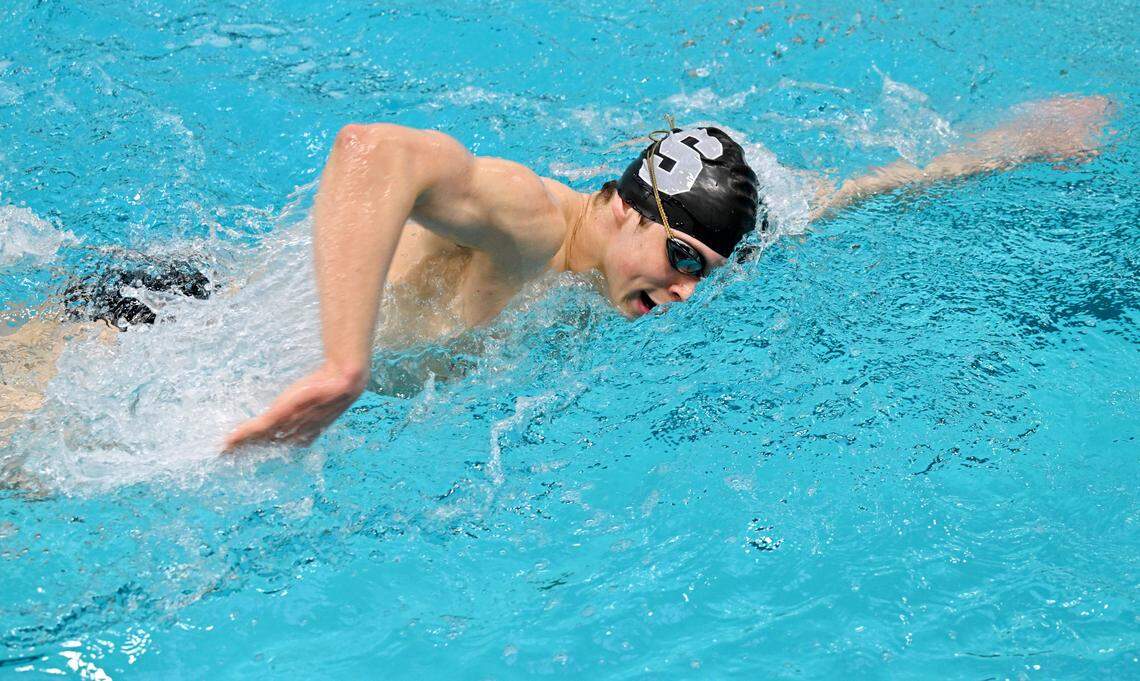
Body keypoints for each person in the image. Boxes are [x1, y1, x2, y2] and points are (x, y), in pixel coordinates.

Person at [0, 95, 1111, 453]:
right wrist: (344, 367)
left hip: (192, 308)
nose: (682, 293)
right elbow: (369, 150)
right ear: (625, 202)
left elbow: (845, 191)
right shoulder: (537, 222)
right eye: (679, 258)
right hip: (142, 325)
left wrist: (1004, 150)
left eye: (704, 277)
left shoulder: (612, 263)